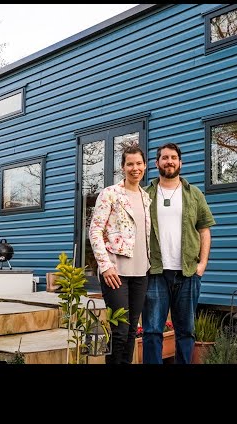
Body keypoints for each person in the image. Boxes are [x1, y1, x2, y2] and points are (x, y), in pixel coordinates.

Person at [142, 142, 216, 364]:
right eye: (164, 158)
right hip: (155, 271)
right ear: (156, 163)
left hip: (187, 272)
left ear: (180, 162)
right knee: (152, 330)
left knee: (186, 330)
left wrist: (202, 265)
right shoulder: (145, 195)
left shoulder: (194, 194)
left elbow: (204, 230)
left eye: (173, 157)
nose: (169, 161)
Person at [88, 145, 151, 364]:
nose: (135, 168)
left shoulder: (146, 197)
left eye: (139, 163)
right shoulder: (110, 194)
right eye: (130, 164)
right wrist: (105, 266)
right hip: (116, 272)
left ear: (145, 165)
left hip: (141, 272)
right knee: (120, 331)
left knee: (133, 330)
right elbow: (95, 229)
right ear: (123, 167)